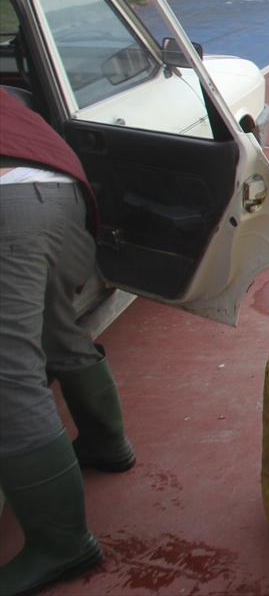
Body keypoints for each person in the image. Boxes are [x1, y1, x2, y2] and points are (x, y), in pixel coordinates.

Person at [0, 88, 137, 595]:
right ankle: (106, 442)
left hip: (8, 203)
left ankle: (61, 545)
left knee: (8, 373)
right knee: (55, 326)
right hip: (62, 195)